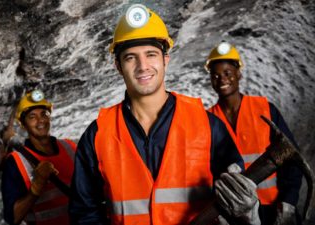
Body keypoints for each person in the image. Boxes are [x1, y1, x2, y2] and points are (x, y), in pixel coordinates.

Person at [69, 4, 261, 225]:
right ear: (118, 66)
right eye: (130, 57)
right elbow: (84, 214)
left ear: (165, 60)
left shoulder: (208, 127)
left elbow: (236, 203)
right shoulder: (98, 135)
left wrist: (249, 212)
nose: (143, 66)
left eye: (151, 54)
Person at [205, 41, 303, 224]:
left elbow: (292, 158)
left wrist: (288, 201)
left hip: (272, 207)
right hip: (234, 213)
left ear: (238, 74)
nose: (222, 79)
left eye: (227, 73)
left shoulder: (264, 108)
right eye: (216, 75)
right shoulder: (207, 120)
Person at [0, 90, 77, 225]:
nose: (40, 120)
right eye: (32, 117)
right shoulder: (15, 162)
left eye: (44, 114)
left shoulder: (70, 146)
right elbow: (13, 218)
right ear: (23, 125)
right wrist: (37, 186)